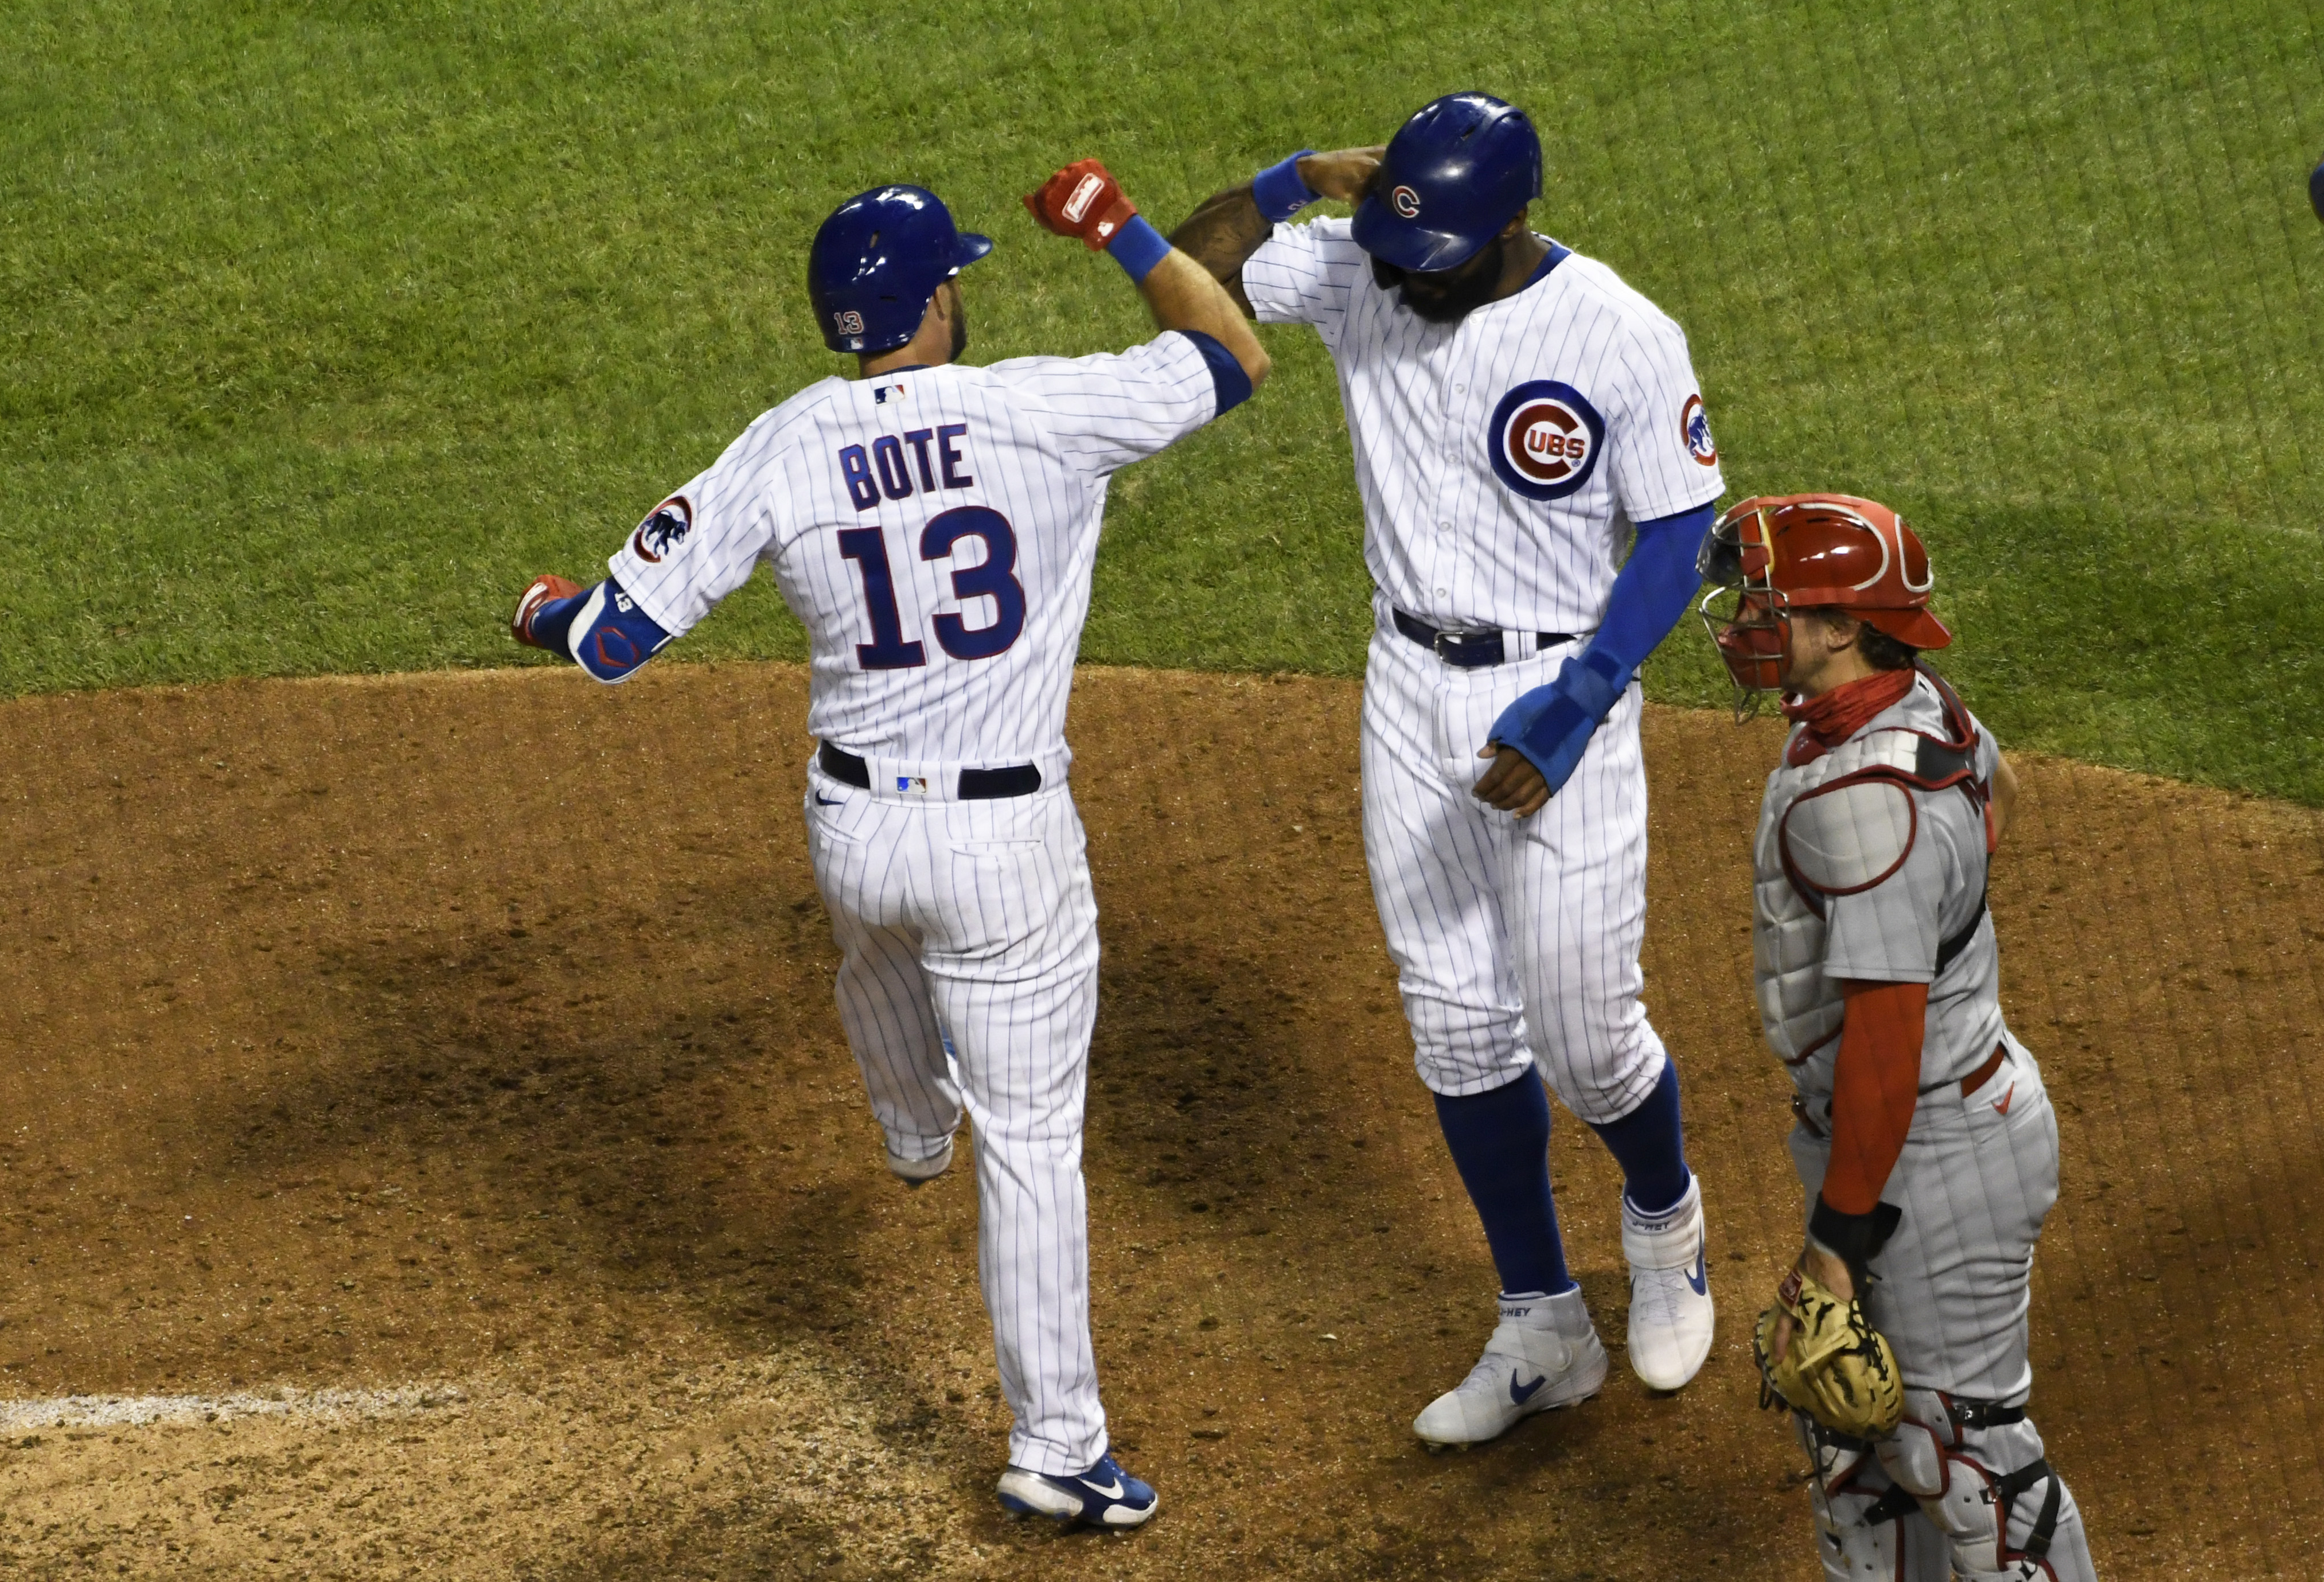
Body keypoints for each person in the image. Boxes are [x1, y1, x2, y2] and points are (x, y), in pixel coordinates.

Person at [508, 165, 1269, 1527]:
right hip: (1006, 840)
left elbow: (613, 644)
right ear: (929, 304)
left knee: (874, 949)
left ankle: (914, 1128)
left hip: (853, 825)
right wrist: (1118, 229)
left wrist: (546, 612)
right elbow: (1229, 354)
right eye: (955, 276)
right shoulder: (1039, 406)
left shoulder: (784, 442)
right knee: (1033, 1139)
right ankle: (1058, 1443)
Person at [1171, 92, 1723, 1442]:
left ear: (1516, 222)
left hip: (1558, 683)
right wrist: (1296, 172)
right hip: (1405, 685)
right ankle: (1541, 1318)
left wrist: (1582, 698)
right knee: (1457, 1019)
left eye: (1443, 256)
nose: (1410, 281)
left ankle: (1666, 1229)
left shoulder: (1620, 332)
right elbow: (1194, 277)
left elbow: (1680, 528)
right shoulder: (1369, 260)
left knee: (1590, 1035)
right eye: (1397, 249)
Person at [1698, 493, 2096, 1581]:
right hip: (1915, 1128)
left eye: (1772, 599)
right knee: (1859, 1449)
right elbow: (2000, 785)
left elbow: (1884, 1038)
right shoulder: (1910, 703)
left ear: (1842, 625)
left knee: (1964, 1456)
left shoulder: (1864, 797)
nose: (1747, 616)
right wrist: (1939, 917)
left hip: (1931, 1150)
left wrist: (1836, 1239)